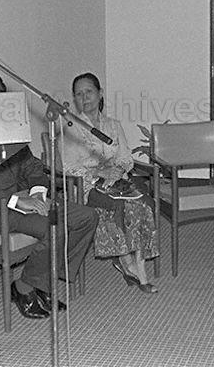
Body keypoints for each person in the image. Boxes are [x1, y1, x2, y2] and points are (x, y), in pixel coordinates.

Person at [0, 71, 99, 318]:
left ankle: (38, 280)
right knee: (54, 227)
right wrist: (17, 201)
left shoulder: (9, 129)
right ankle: (25, 287)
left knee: (87, 217)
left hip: (26, 201)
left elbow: (33, 167)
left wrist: (38, 194)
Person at [60, 72, 160, 293]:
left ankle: (138, 264)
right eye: (79, 94)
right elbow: (68, 167)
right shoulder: (70, 127)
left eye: (89, 91)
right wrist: (98, 174)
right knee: (122, 206)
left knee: (146, 203)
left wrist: (118, 171)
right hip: (87, 185)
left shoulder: (113, 125)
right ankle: (128, 263)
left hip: (118, 182)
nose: (84, 97)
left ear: (100, 94)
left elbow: (125, 158)